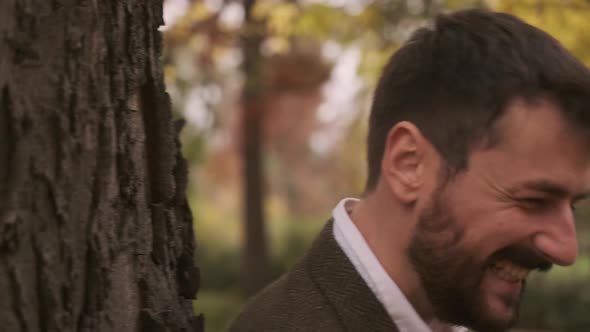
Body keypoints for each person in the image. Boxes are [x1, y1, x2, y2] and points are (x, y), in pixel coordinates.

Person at [229, 8, 590, 332]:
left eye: (571, 205)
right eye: (534, 200)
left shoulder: (451, 307)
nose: (566, 249)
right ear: (409, 164)